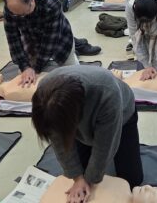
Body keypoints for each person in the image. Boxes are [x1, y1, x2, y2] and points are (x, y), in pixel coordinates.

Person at [32, 65, 143, 203]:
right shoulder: (44, 96)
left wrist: (90, 180)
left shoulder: (106, 91)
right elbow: (58, 139)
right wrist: (78, 178)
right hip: (75, 118)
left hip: (122, 115)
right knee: (80, 172)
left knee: (133, 179)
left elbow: (105, 146)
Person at [4, 0, 90, 88]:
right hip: (31, 39)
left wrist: (36, 69)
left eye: (24, 13)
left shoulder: (51, 4)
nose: (21, 17)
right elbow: (13, 40)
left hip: (59, 37)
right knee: (24, 77)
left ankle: (77, 51)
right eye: (17, 15)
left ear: (31, 0)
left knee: (75, 76)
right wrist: (25, 67)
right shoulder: (11, 10)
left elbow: (50, 42)